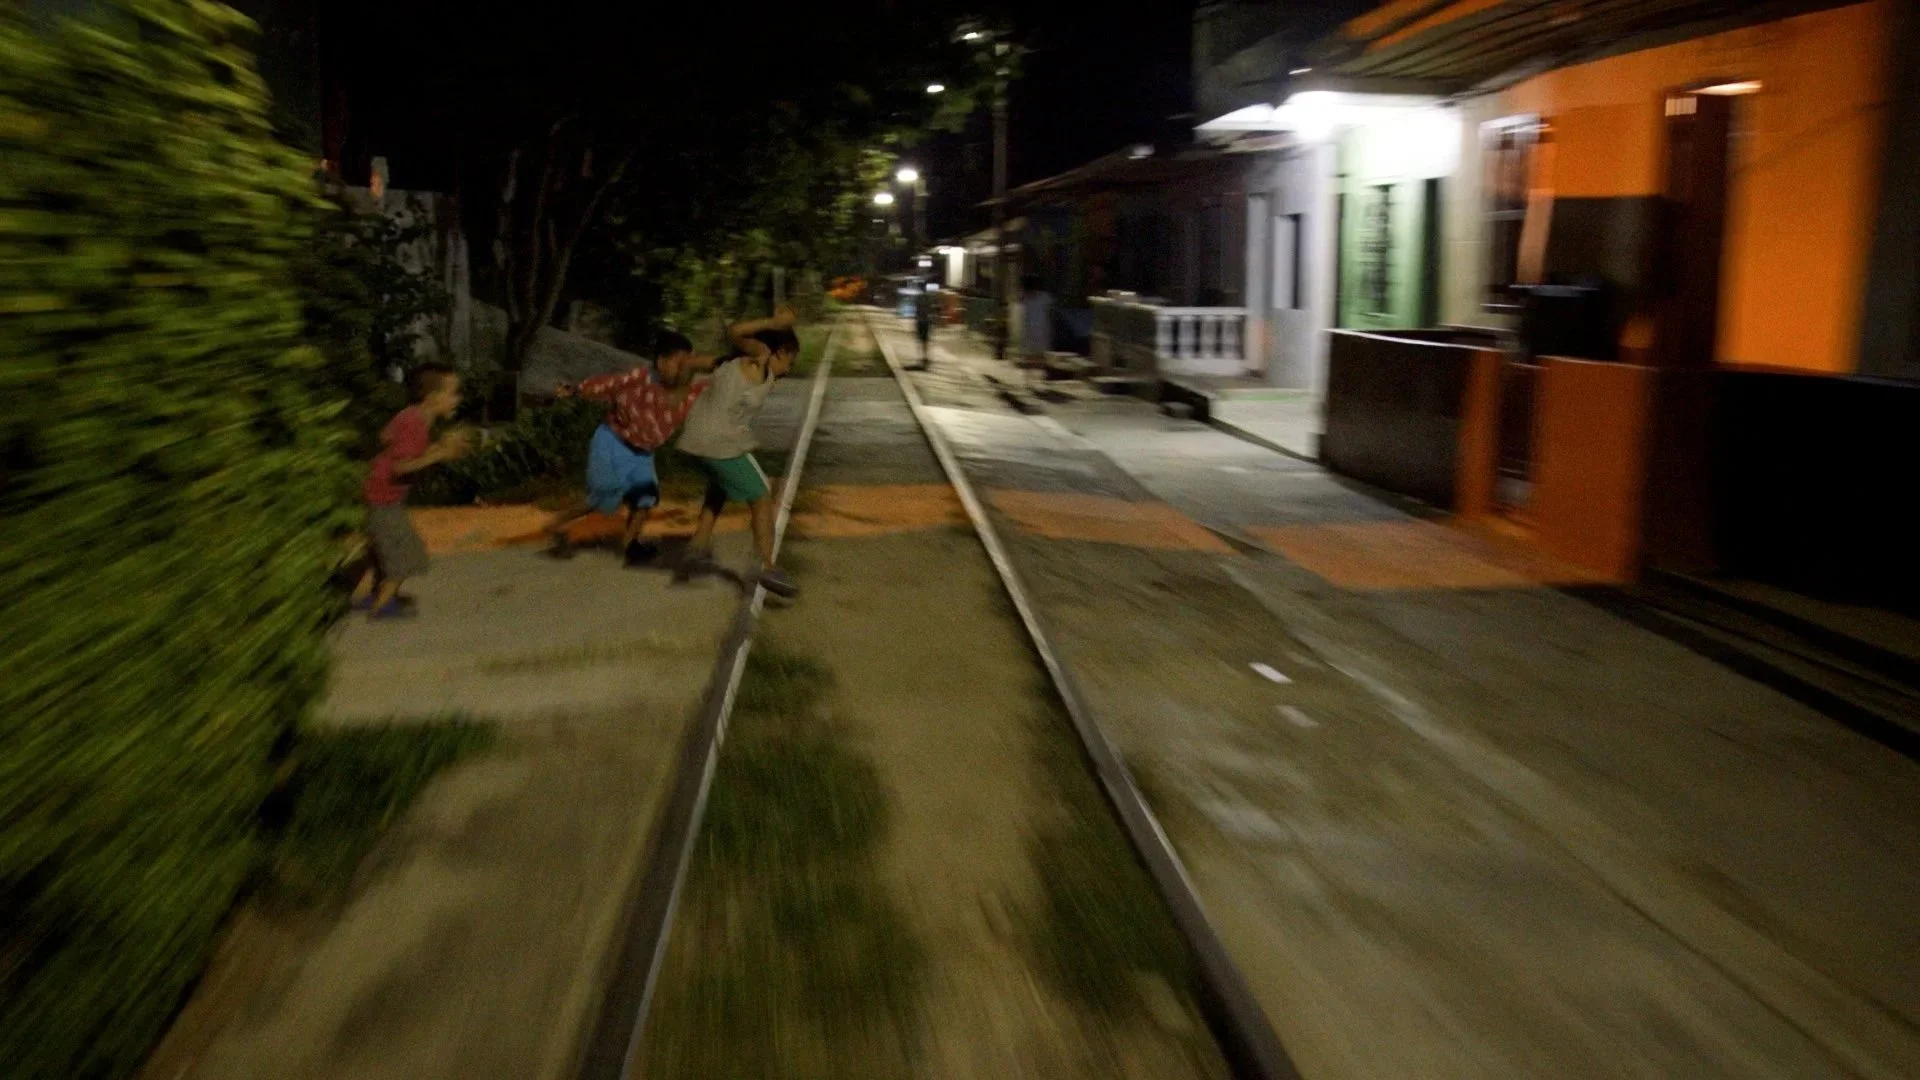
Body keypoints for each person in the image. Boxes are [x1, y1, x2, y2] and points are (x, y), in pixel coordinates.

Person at [547, 331, 714, 566]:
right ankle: (557, 524)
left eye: (689, 364)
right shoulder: (639, 379)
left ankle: (630, 544)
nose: (684, 370)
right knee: (604, 497)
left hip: (643, 452)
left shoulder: (692, 391)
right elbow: (608, 385)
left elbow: (721, 379)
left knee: (646, 498)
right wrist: (576, 389)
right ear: (661, 361)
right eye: (679, 363)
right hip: (613, 441)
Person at [676, 306, 801, 598]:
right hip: (721, 443)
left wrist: (678, 397)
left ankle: (699, 542)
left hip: (695, 443)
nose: (791, 369)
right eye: (791, 360)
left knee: (721, 483)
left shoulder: (727, 363)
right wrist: (774, 322)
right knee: (761, 494)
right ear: (780, 351)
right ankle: (768, 567)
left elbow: (690, 363)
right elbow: (734, 332)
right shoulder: (759, 358)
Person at [351, 364, 472, 620]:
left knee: (380, 554)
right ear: (431, 397)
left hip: (378, 494)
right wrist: (440, 453)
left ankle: (363, 596)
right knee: (406, 554)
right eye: (452, 393)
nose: (457, 399)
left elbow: (386, 437)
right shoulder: (415, 423)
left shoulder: (412, 416)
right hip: (383, 498)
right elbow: (401, 466)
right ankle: (382, 606)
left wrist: (437, 447)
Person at [1020, 276, 1054, 369]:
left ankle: (1038, 374)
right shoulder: (1026, 298)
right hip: (1031, 329)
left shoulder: (1044, 297)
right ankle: (1030, 377)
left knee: (1040, 355)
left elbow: (1049, 312)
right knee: (1030, 355)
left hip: (1041, 329)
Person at [913, 284, 936, 367]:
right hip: (927, 321)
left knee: (920, 340)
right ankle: (925, 357)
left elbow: (916, 310)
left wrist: (915, 319)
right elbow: (932, 310)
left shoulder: (918, 298)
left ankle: (921, 357)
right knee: (926, 340)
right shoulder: (929, 298)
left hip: (920, 321)